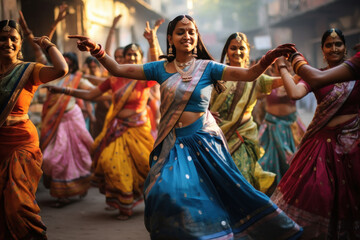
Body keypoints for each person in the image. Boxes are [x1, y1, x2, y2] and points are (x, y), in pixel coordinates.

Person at [68, 15, 302, 239]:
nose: (187, 36)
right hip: (173, 143)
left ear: (197, 36)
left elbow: (250, 74)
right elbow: (118, 69)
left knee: (223, 193)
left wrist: (270, 57)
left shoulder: (208, 67)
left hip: (204, 143)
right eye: (181, 32)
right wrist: (96, 50)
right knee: (164, 193)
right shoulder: (160, 68)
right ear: (170, 38)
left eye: (191, 32)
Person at [45, 43, 156, 220]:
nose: (132, 58)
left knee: (147, 166)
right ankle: (124, 205)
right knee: (111, 163)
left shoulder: (145, 78)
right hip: (118, 128)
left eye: (136, 55)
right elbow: (90, 95)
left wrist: (152, 43)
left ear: (141, 57)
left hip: (139, 129)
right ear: (124, 57)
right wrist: (63, 90)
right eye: (129, 54)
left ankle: (150, 198)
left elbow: (156, 64)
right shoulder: (114, 80)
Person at [271, 28, 360, 239]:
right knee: (319, 195)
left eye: (338, 44)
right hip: (322, 145)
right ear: (322, 50)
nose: (334, 48)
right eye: (329, 45)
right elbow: (294, 92)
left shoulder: (356, 73)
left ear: (345, 47)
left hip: (354, 142)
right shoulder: (315, 75)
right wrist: (283, 67)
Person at [0, 19, 68, 240]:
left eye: (13, 39)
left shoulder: (27, 70)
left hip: (22, 143)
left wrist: (47, 44)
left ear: (20, 44)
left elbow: (60, 69)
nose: (7, 43)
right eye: (2, 38)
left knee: (17, 202)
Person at [210, 32, 278, 194]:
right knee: (218, 182)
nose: (237, 52)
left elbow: (283, 83)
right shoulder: (215, 75)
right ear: (227, 51)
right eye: (233, 48)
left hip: (243, 137)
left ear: (248, 50)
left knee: (242, 178)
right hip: (216, 136)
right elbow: (199, 100)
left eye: (241, 48)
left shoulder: (257, 79)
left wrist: (288, 67)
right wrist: (206, 112)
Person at [40, 51, 94, 208]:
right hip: (54, 121)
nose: (65, 63)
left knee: (78, 153)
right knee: (52, 157)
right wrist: (33, 38)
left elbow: (92, 92)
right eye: (62, 60)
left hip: (72, 119)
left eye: (68, 61)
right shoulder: (52, 76)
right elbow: (40, 56)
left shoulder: (76, 79)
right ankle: (64, 191)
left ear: (73, 63)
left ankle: (75, 188)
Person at [258, 62, 306, 184]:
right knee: (265, 163)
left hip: (291, 127)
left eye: (289, 64)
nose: (286, 67)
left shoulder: (296, 81)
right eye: (281, 65)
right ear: (274, 67)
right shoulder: (267, 81)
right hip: (271, 127)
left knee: (295, 162)